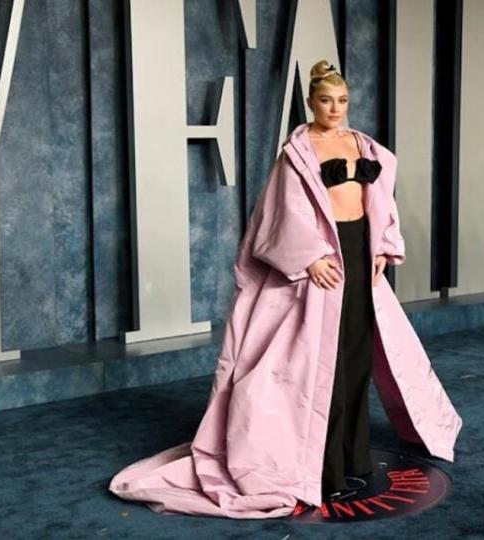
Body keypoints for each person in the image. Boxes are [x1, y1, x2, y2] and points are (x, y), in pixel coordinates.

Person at [108, 60, 462, 519]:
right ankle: (322, 468)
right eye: (325, 101)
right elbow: (280, 213)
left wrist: (383, 247)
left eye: (342, 101)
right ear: (310, 103)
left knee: (357, 358)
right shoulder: (298, 152)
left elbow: (381, 201)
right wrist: (310, 257)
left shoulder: (362, 145)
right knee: (320, 364)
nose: (334, 109)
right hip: (321, 263)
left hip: (359, 256)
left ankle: (353, 457)